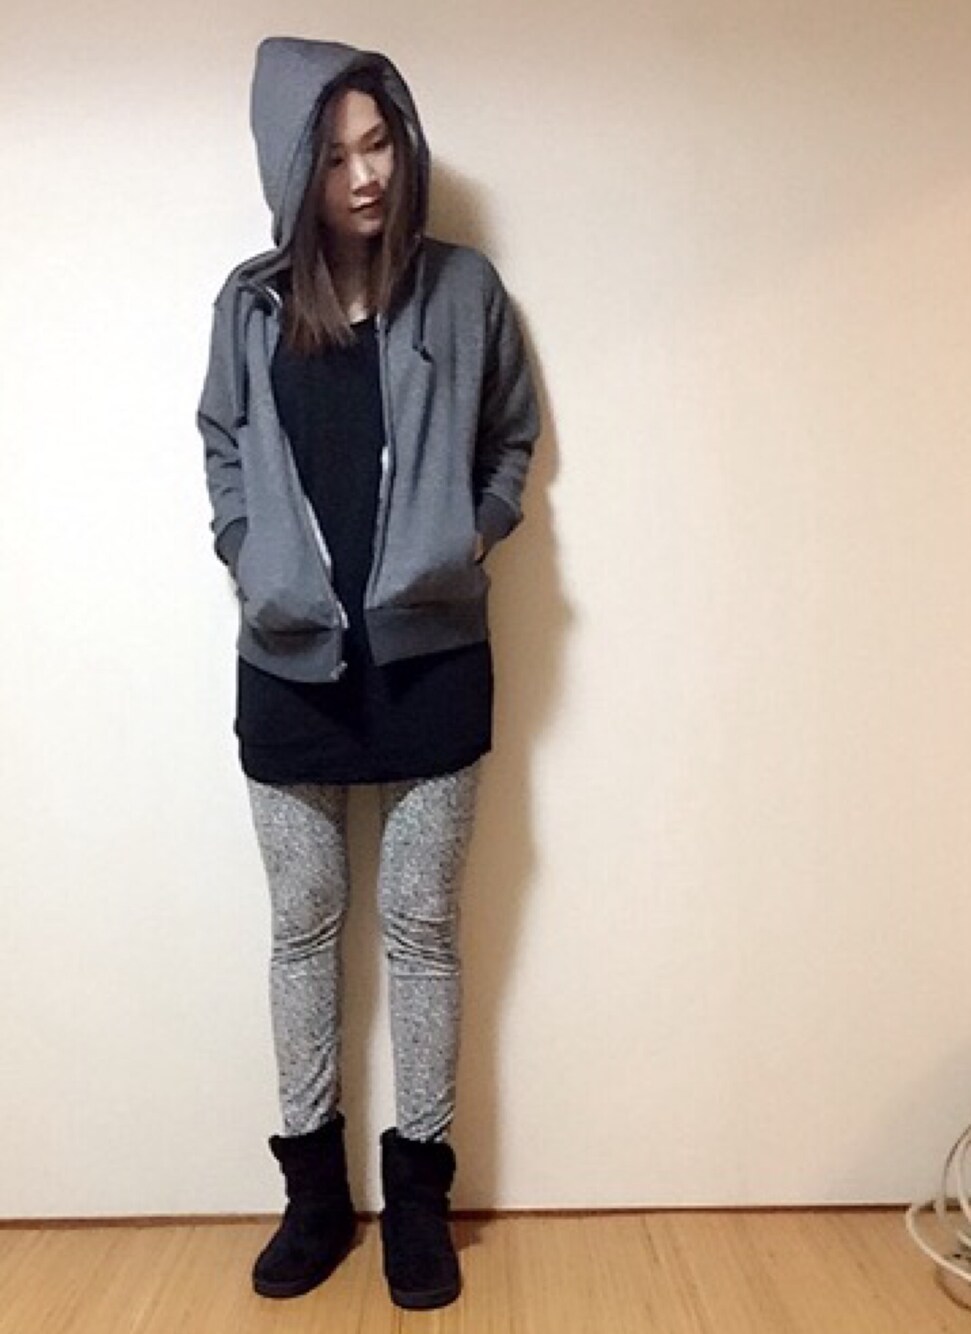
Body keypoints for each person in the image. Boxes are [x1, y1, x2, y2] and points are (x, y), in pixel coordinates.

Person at [196, 35, 540, 1312]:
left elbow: (512, 435)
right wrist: (247, 550)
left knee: (422, 928)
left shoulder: (464, 290)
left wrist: (470, 533)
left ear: (404, 140)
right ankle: (312, 1197)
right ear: (292, 167)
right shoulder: (248, 305)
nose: (363, 175)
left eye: (377, 142)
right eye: (334, 153)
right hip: (288, 662)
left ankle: (419, 1201)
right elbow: (219, 442)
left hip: (431, 656)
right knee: (301, 926)